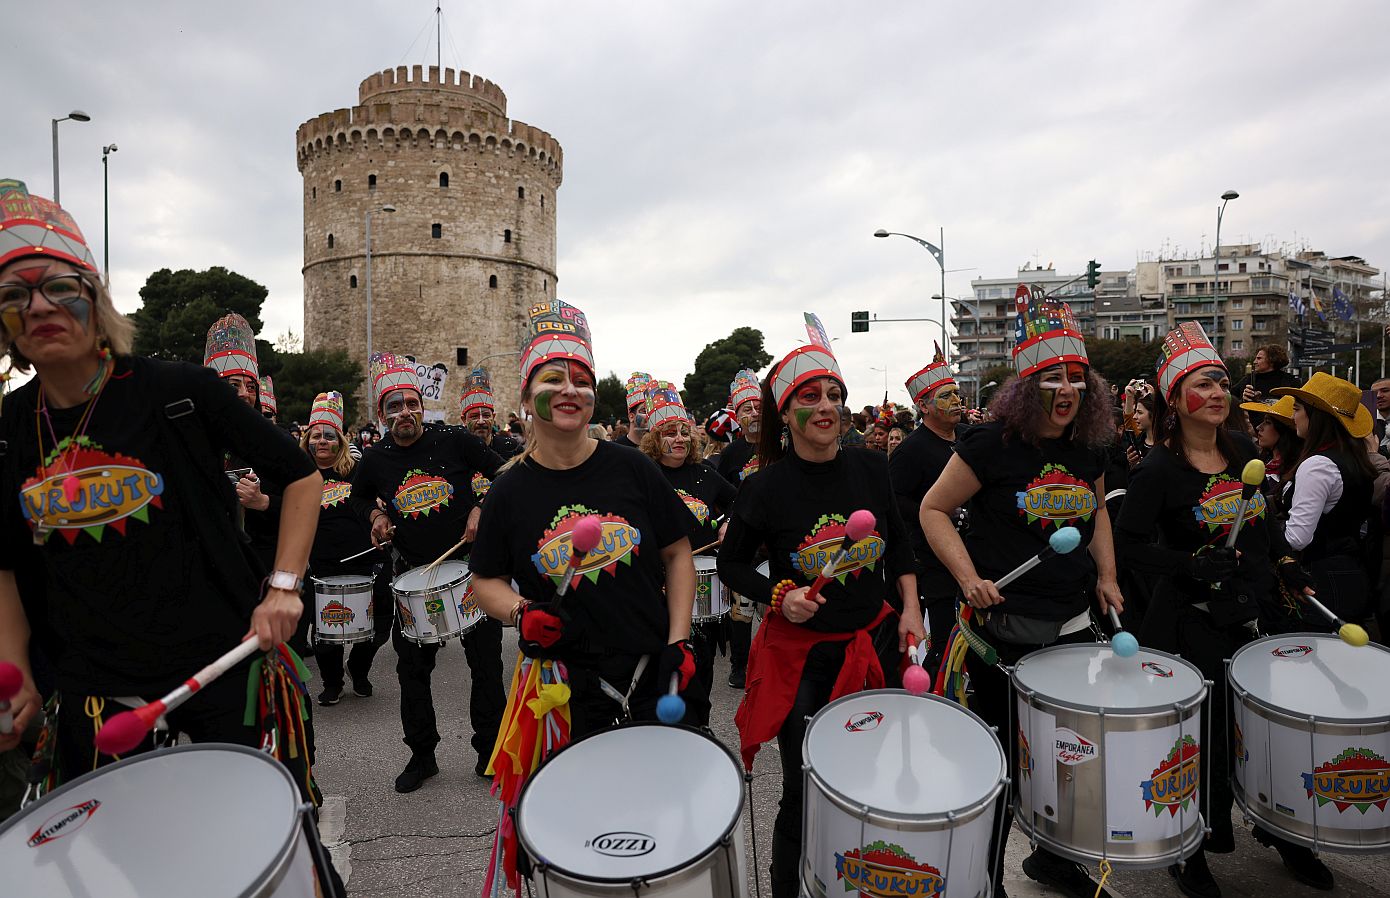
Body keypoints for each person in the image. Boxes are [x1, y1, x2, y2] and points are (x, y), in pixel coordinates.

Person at [0, 181, 326, 808]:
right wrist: (18, 672)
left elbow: (303, 476)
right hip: (94, 697)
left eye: (59, 287)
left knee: (248, 849)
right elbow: (8, 564)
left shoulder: (180, 393)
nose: (40, 307)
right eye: (16, 296)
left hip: (222, 673)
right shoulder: (11, 429)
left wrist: (283, 586)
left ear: (95, 301)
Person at [920, 284, 1122, 898]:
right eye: (1053, 377)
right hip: (1002, 635)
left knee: (1068, 756)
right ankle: (987, 879)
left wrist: (1107, 576)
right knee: (1002, 762)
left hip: (1071, 628)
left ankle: (1055, 858)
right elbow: (932, 510)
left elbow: (1097, 515)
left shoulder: (1089, 449)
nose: (1067, 389)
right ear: (1025, 386)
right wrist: (967, 579)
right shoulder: (988, 445)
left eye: (1077, 378)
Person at [1116, 322, 1330, 896]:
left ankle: (1283, 829)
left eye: (1222, 384)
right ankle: (1189, 849)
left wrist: (1284, 561)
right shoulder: (1157, 471)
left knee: (1267, 732)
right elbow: (1128, 544)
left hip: (1255, 614)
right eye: (1203, 384)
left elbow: (1263, 523)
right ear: (1173, 399)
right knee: (1201, 743)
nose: (1217, 394)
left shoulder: (1241, 452)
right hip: (1191, 624)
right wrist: (1188, 563)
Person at [718, 315, 923, 898]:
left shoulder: (869, 466)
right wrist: (779, 596)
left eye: (835, 393)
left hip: (873, 643)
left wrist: (908, 607)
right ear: (785, 414)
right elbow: (732, 566)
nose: (827, 405)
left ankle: (855, 878)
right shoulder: (764, 487)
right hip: (804, 662)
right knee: (804, 789)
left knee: (868, 775)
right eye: (811, 396)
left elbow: (900, 542)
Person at [348, 351, 506, 793]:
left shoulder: (454, 440)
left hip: (473, 571)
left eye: (412, 404)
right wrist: (375, 518)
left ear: (423, 406)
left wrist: (481, 507)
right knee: (412, 672)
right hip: (415, 575)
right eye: (395, 406)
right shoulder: (375, 460)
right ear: (382, 414)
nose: (405, 413)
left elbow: (507, 474)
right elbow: (359, 499)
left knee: (486, 666)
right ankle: (422, 755)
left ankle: (490, 751)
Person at [640, 381, 736, 723]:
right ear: (654, 438)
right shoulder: (644, 474)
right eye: (669, 432)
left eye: (684, 431)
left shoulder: (705, 474)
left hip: (703, 582)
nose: (679, 438)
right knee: (660, 661)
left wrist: (729, 523)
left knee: (703, 660)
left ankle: (701, 724)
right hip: (656, 585)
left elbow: (741, 503)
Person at [301, 392, 393, 705]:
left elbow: (382, 498)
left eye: (329, 435)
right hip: (324, 563)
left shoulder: (358, 470)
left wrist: (383, 510)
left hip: (370, 559)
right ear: (308, 441)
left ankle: (359, 667)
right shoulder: (299, 475)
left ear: (340, 440)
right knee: (328, 626)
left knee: (380, 625)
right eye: (316, 436)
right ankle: (332, 681)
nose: (323, 441)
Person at [1272, 372, 1377, 630]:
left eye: (1297, 409)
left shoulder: (1318, 465)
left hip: (1320, 576)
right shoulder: (1353, 457)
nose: (1293, 416)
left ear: (1316, 416)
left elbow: (1297, 538)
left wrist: (1263, 531)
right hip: (1352, 571)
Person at [889, 342, 964, 675]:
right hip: (931, 561)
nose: (957, 401)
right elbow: (894, 502)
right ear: (924, 406)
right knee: (943, 640)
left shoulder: (968, 439)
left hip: (972, 555)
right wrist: (936, 510)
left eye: (957, 394)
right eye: (946, 396)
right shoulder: (911, 450)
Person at [716, 369, 763, 687]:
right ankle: (739, 665)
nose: (755, 413)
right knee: (742, 608)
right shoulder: (731, 454)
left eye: (759, 407)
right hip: (745, 540)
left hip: (778, 540)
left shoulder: (783, 445)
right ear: (737, 415)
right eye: (747, 409)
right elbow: (722, 499)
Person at [460, 365, 521, 463]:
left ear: (493, 417)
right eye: (474, 416)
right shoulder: (455, 453)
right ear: (464, 420)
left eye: (486, 415)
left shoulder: (511, 448)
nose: (481, 421)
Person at [1234, 344, 1299, 424]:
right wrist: (1243, 400)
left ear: (1271, 360)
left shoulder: (1290, 381)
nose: (1254, 362)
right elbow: (1231, 398)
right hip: (1252, 429)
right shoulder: (1248, 379)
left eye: (1259, 358)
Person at [613, 371, 652, 450]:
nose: (649, 416)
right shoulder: (615, 449)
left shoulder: (658, 451)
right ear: (631, 417)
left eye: (651, 411)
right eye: (644, 411)